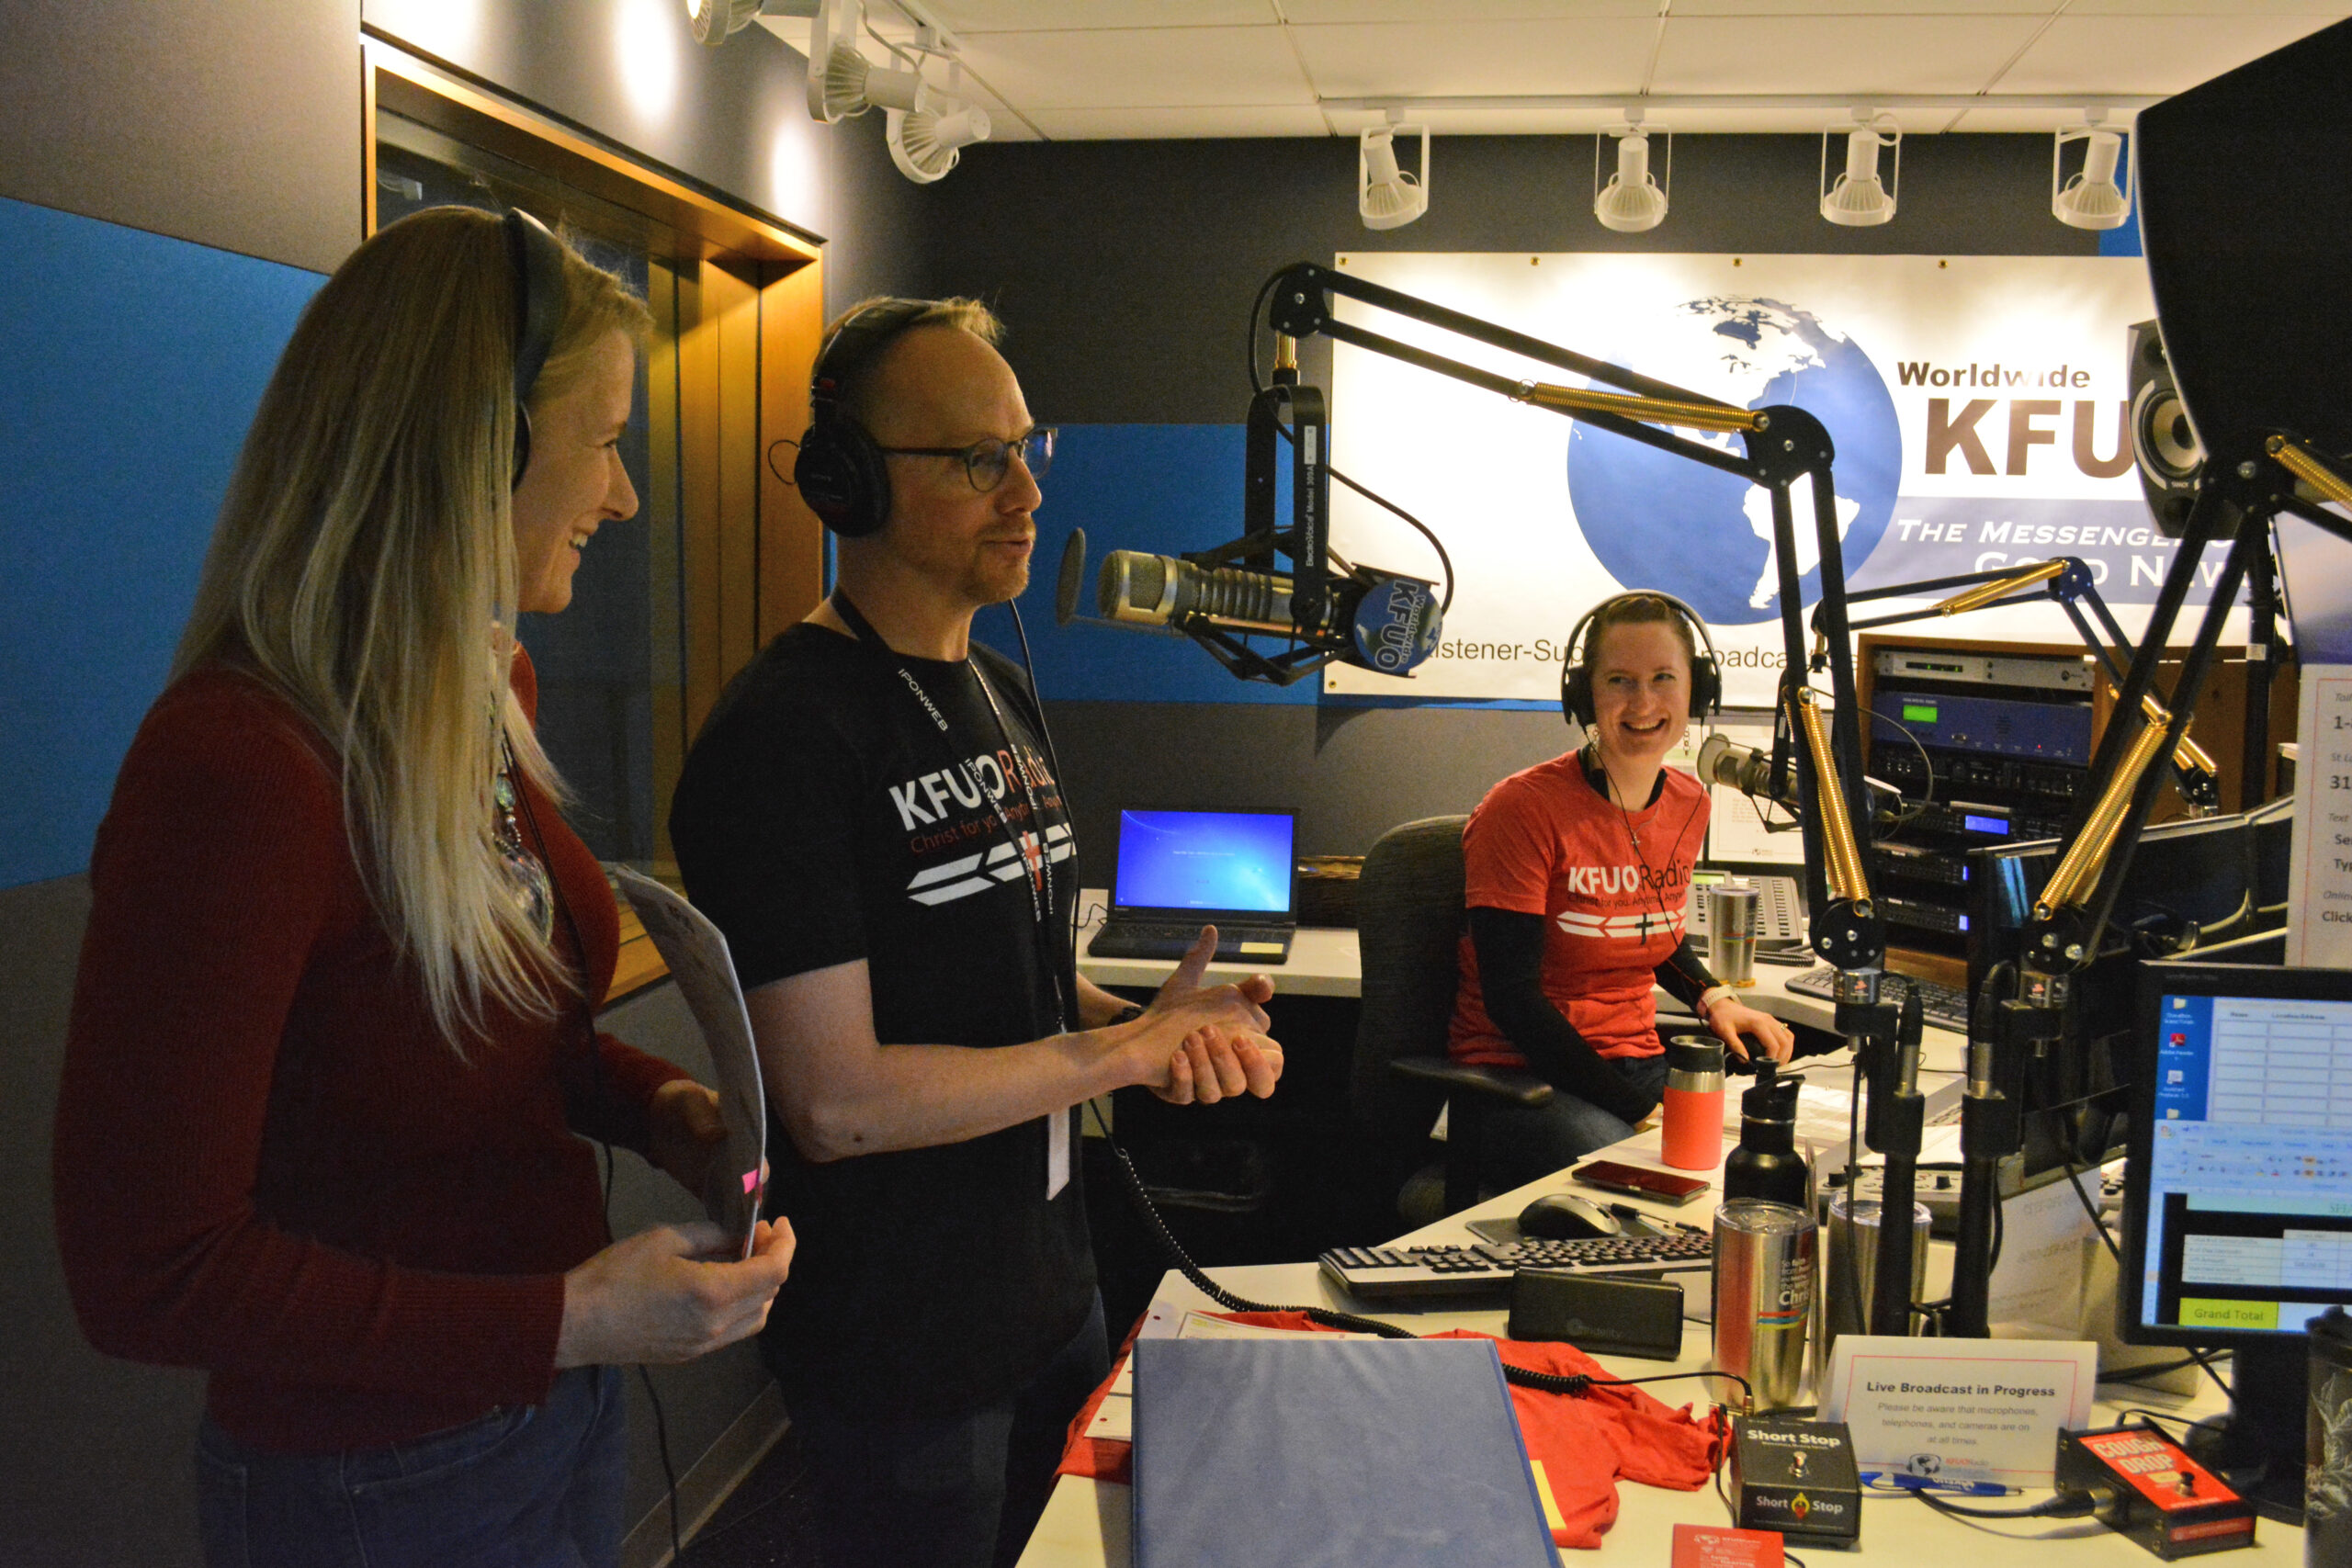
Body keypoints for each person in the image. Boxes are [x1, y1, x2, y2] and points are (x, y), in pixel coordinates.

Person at [51, 207, 795, 1568]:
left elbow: (490, 1041)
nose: (624, 497)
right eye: (608, 440)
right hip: (368, 1485)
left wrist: (664, 1109)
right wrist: (569, 1316)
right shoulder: (240, 763)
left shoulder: (481, 695)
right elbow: (148, 1272)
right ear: (481, 448)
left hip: (546, 1415)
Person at [668, 296, 1283, 1568]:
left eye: (1027, 447)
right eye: (973, 458)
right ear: (847, 480)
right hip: (901, 1340)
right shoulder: (785, 734)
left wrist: (1155, 1029)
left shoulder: (999, 691)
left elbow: (1020, 991)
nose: (1024, 491)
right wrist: (1112, 1056)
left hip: (1051, 1287)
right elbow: (836, 1099)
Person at [1448, 591, 1795, 1190]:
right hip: (1521, 1082)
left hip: (1635, 1067)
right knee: (1657, 1180)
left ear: (1697, 693)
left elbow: (1651, 932)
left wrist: (1717, 1001)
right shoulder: (1523, 809)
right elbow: (1513, 1000)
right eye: (1619, 680)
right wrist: (1641, 1114)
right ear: (1586, 695)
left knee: (1758, 1168)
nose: (1644, 702)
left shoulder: (1691, 805)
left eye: (1664, 677)